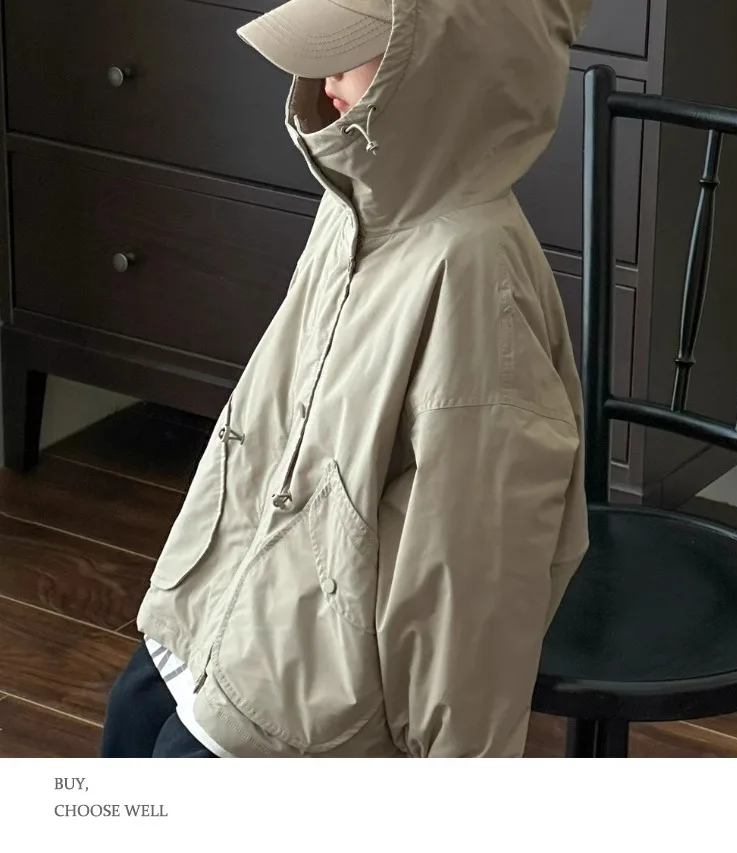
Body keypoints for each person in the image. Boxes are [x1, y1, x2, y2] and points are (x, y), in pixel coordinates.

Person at [101, 0, 592, 759]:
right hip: (246, 589)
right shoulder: (357, 201)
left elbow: (469, 584)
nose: (324, 80)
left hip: (331, 666)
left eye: (354, 51)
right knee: (132, 717)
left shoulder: (472, 279)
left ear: (445, 71)